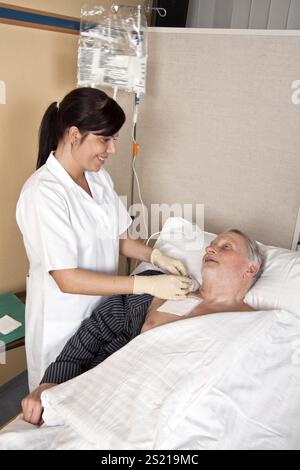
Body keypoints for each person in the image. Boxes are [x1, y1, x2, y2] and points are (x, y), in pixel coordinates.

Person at [16, 87, 191, 392]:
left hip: (102, 318)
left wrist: (156, 257)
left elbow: (119, 240)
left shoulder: (99, 178)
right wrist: (145, 285)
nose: (111, 150)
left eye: (114, 140)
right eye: (105, 139)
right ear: (74, 134)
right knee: (54, 405)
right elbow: (67, 279)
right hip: (63, 323)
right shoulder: (42, 194)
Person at [21, 229, 264, 425]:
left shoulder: (259, 326)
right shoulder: (157, 289)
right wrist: (49, 383)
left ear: (251, 268)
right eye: (212, 245)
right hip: (109, 397)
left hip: (181, 417)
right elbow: (94, 331)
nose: (211, 248)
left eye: (226, 247)